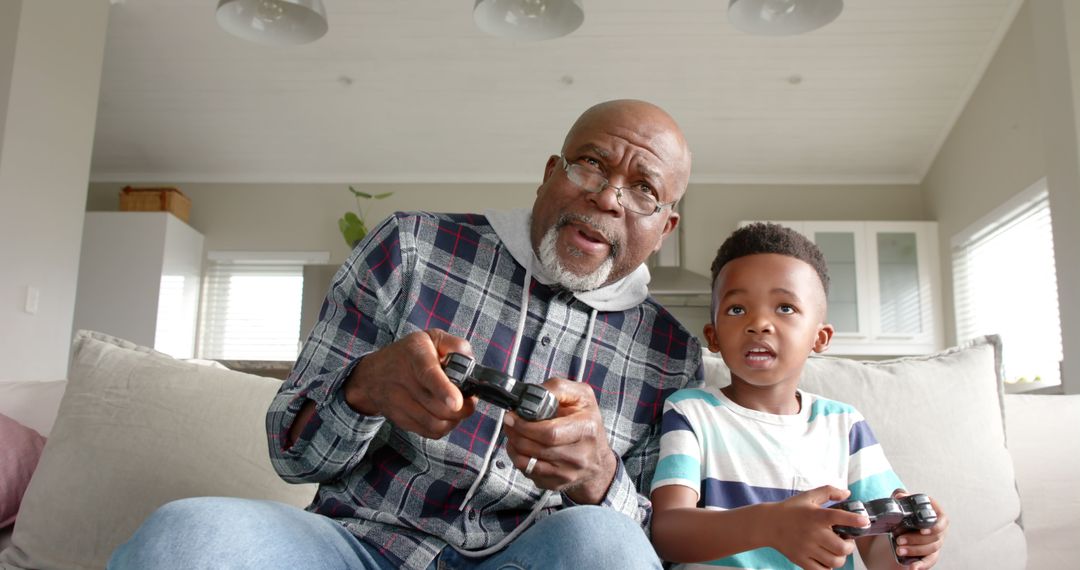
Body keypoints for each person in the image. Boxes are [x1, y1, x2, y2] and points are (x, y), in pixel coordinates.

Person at [108, 99, 703, 569]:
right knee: (182, 535)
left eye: (644, 189)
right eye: (590, 163)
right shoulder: (411, 248)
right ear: (551, 173)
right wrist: (362, 390)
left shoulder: (673, 356)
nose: (606, 196)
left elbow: (663, 543)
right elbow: (289, 454)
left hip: (529, 558)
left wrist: (599, 477)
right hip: (353, 548)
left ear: (665, 225)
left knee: (609, 545)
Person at [649, 223, 949, 570]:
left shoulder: (844, 425)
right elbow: (667, 532)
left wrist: (910, 547)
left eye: (785, 308)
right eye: (736, 309)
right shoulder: (691, 411)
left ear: (819, 338)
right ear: (713, 336)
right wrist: (769, 526)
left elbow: (881, 558)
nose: (759, 323)